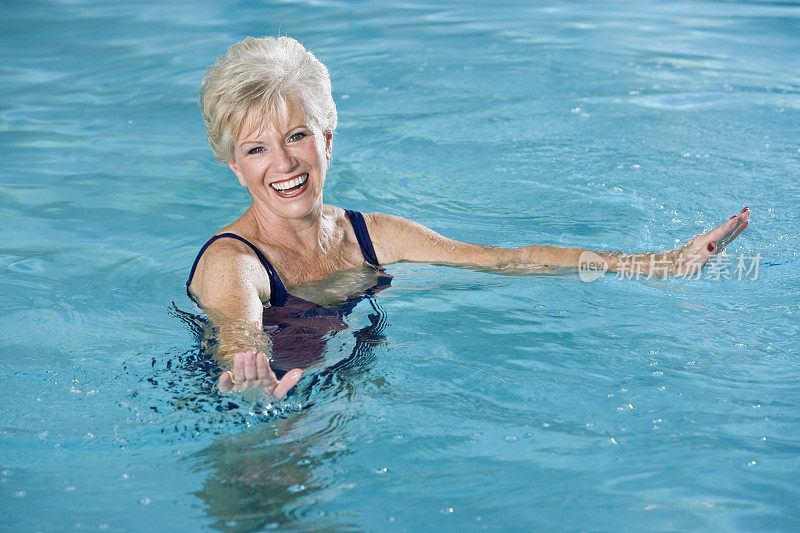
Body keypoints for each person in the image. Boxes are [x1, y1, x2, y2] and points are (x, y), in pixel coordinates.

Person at [186, 36, 750, 398]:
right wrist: (246, 382)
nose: (283, 164)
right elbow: (239, 333)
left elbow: (506, 260)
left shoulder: (366, 236)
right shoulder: (234, 262)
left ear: (327, 139)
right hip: (253, 414)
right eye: (257, 149)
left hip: (323, 394)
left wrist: (658, 265)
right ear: (235, 166)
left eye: (297, 136)